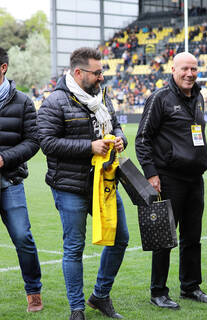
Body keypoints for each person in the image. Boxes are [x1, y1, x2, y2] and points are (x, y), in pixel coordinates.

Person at [37, 47, 129, 320]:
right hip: (70, 186)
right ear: (78, 73)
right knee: (74, 247)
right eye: (97, 72)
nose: (102, 77)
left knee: (120, 238)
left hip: (104, 182)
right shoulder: (55, 101)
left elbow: (114, 124)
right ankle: (77, 309)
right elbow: (47, 143)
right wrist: (90, 147)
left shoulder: (102, 96)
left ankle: (100, 296)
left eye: (102, 71)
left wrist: (120, 138)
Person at [135, 52, 207, 310]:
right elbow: (142, 138)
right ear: (173, 69)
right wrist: (151, 173)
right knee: (164, 237)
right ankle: (158, 291)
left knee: (193, 237)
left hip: (195, 179)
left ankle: (190, 286)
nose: (190, 74)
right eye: (184, 69)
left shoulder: (199, 96)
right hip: (169, 178)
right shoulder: (160, 98)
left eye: (193, 69)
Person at [0, 47, 43, 312]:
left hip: (10, 181)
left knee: (22, 237)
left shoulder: (23, 102)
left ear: (3, 68)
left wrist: (4, 158)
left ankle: (34, 291)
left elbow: (34, 141)